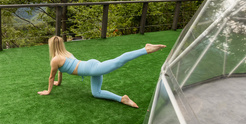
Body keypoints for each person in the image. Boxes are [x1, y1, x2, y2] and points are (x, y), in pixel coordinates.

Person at [37, 36, 166, 108]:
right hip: (92, 69)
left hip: (92, 68)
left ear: (51, 46)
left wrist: (48, 91)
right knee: (96, 93)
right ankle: (123, 99)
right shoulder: (66, 54)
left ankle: (145, 49)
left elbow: (50, 76)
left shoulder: (55, 59)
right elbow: (60, 71)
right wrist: (58, 83)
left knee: (118, 61)